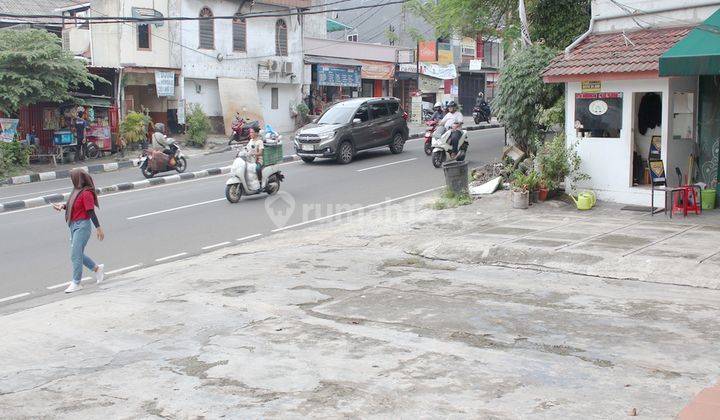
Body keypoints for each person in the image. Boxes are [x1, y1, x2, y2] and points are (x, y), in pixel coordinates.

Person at [52, 169, 105, 294]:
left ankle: (76, 282)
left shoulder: (86, 193)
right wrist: (62, 206)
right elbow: (72, 204)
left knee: (75, 254)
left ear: (79, 178)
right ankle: (97, 269)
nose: (72, 180)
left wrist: (98, 228)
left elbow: (90, 211)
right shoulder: (76, 190)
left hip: (82, 226)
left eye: (73, 177)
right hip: (73, 225)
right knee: (77, 253)